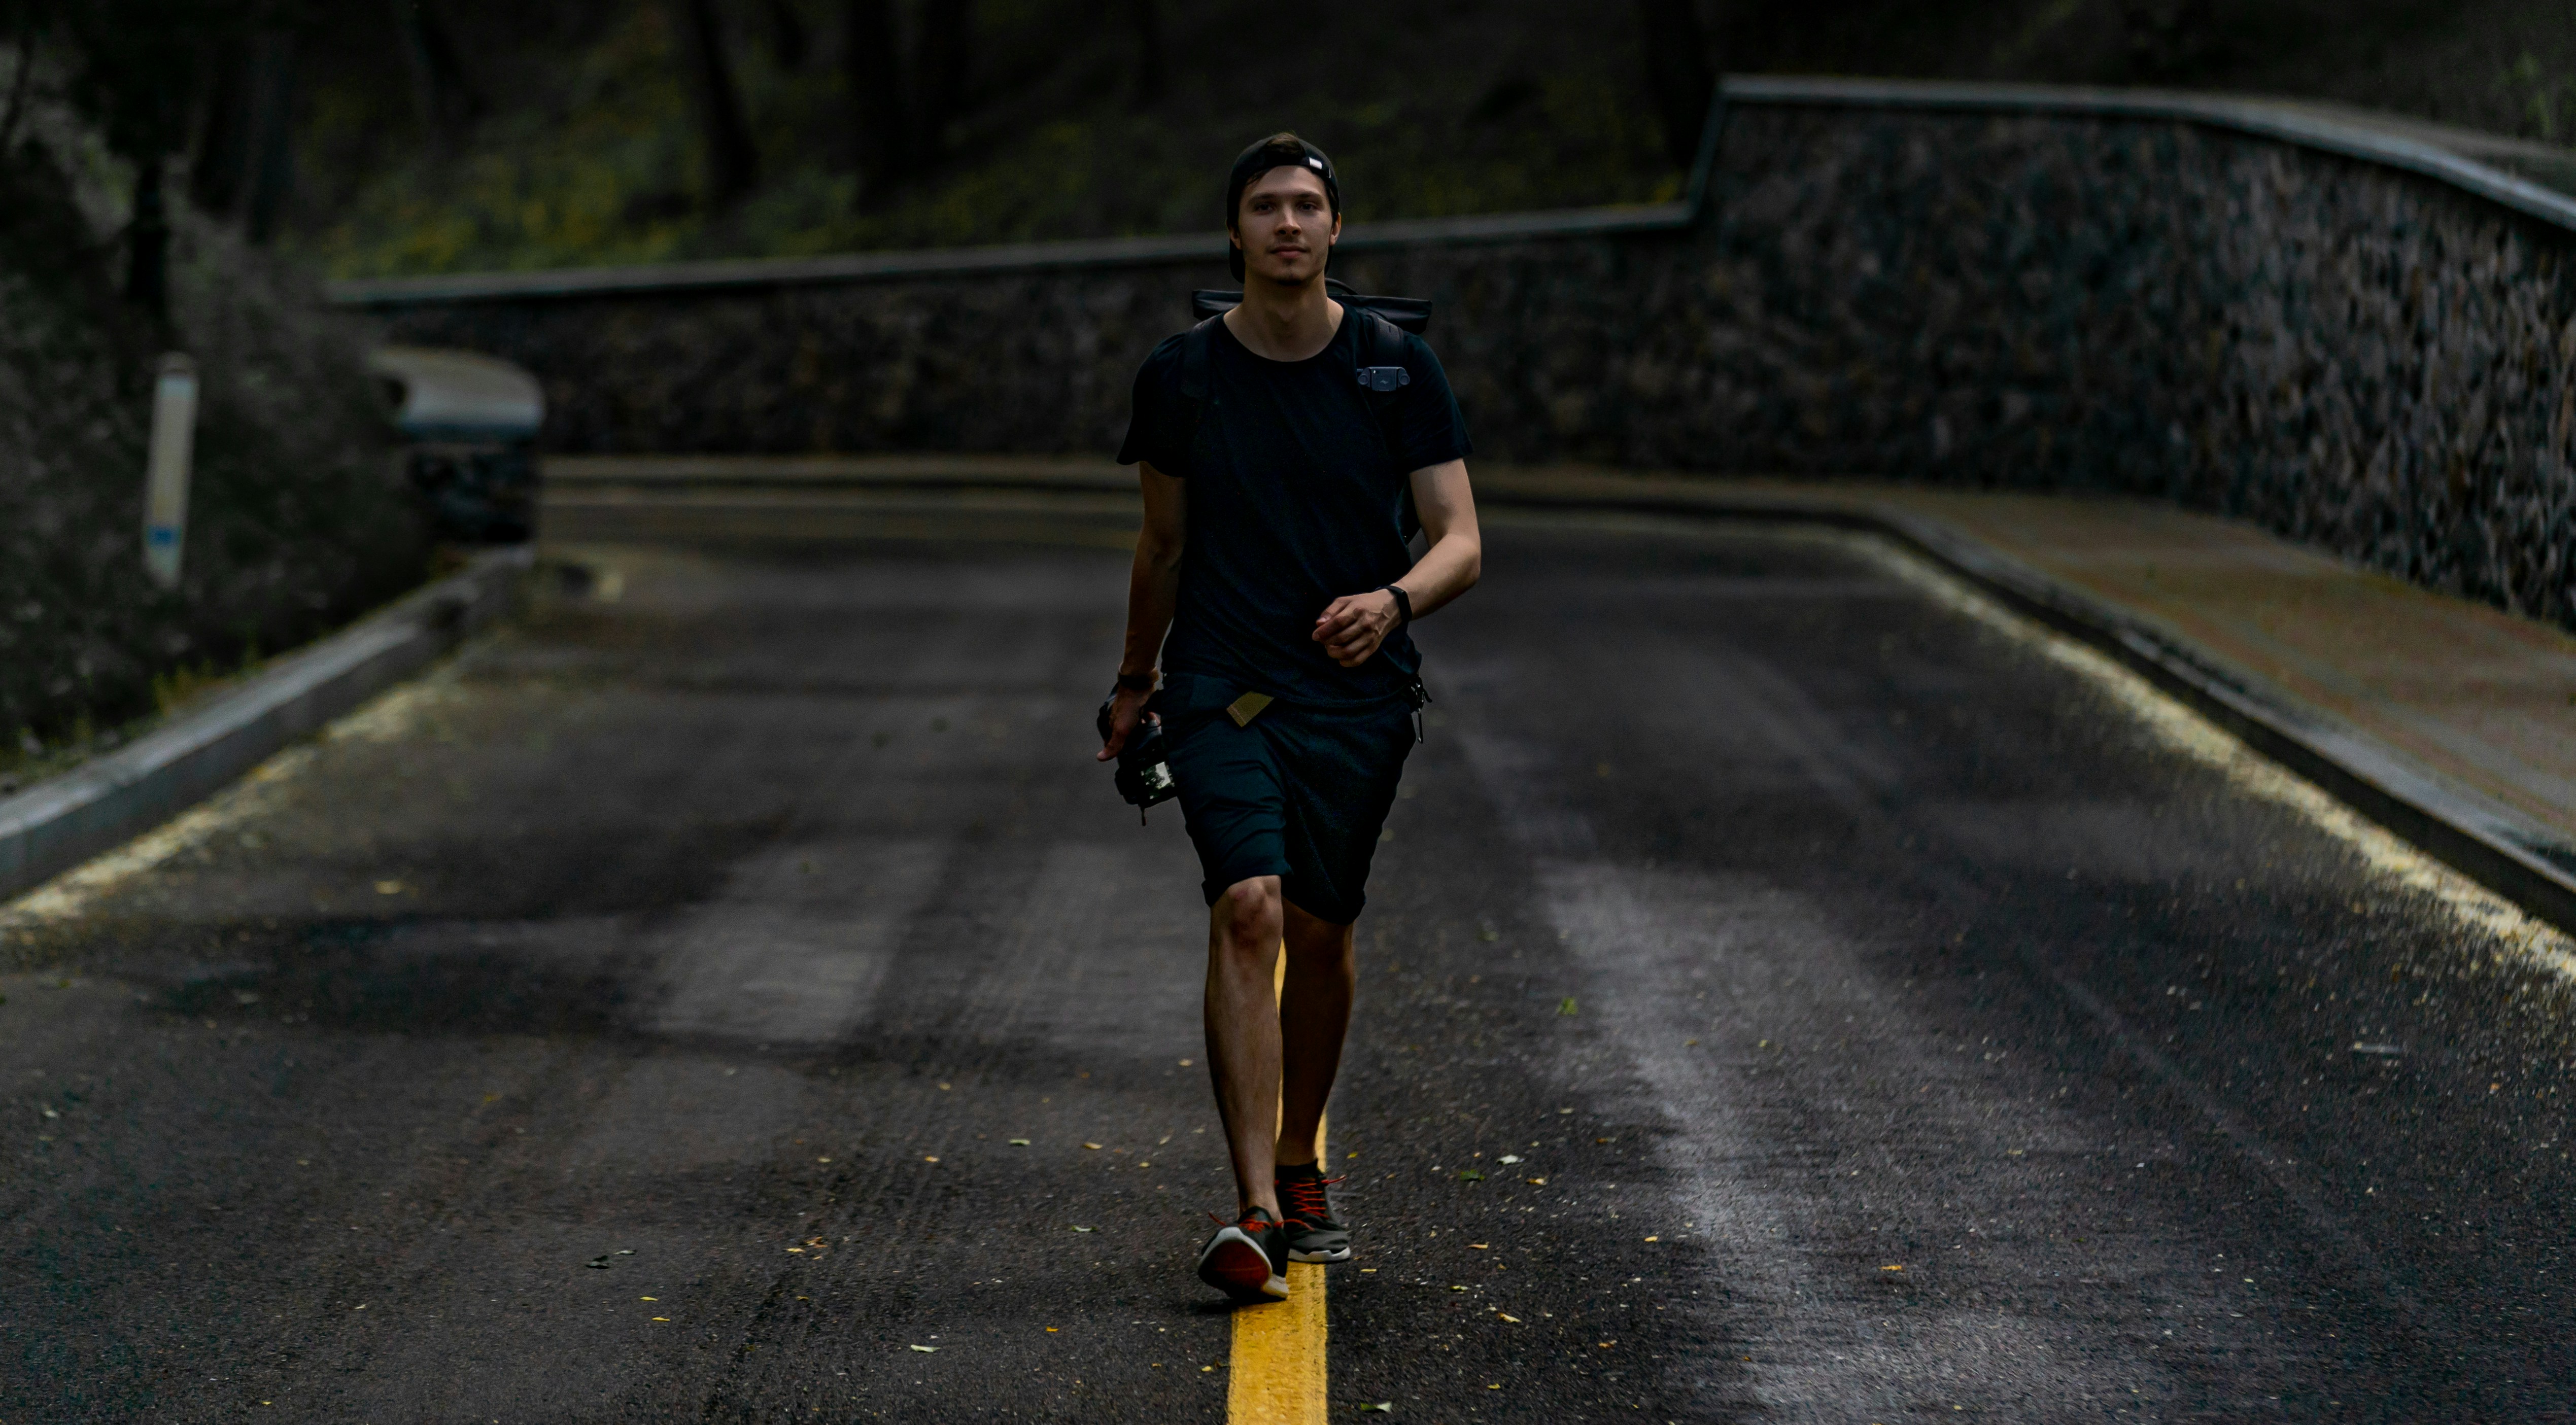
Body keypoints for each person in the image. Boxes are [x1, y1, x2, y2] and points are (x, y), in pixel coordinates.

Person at [1098, 132, 1483, 1303]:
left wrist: (1393, 599)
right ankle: (1256, 1206)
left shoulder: (1392, 368)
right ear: (1234, 233)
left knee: (1321, 931)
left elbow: (1461, 539)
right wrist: (1134, 682)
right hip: (1222, 691)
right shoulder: (1182, 376)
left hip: (1357, 702)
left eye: (1306, 205)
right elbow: (1161, 546)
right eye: (1264, 206)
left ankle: (1304, 1153)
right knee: (1249, 905)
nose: (1286, 223)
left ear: (1333, 229)